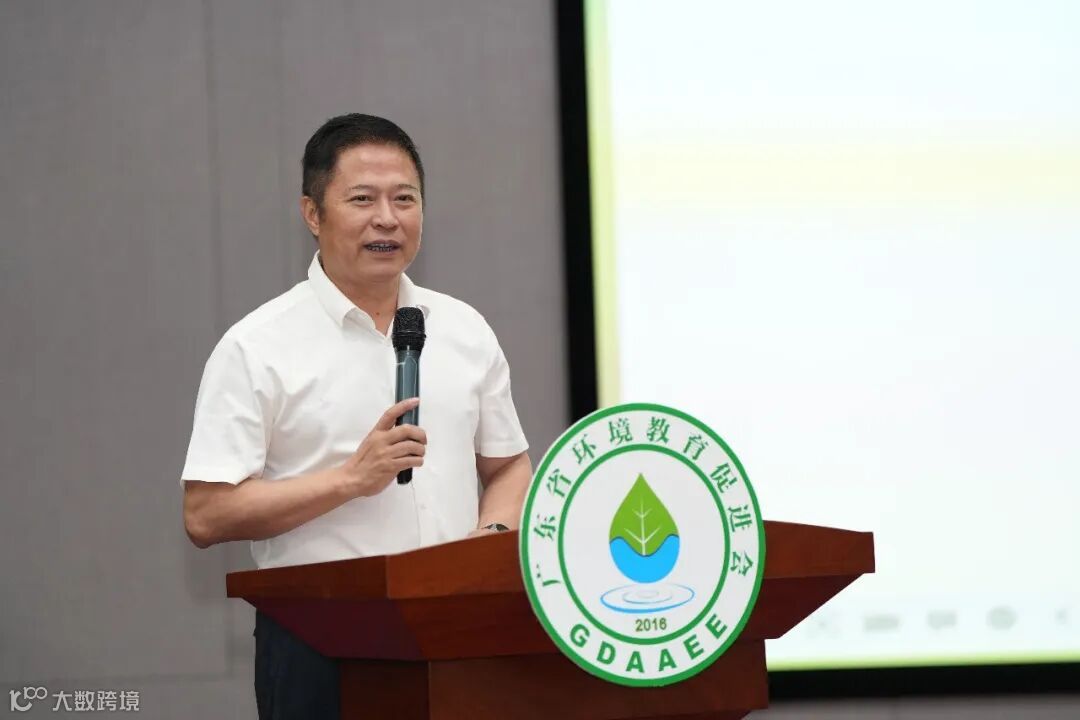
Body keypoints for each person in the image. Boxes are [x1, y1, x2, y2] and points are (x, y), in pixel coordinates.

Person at [180, 113, 532, 719]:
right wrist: (350, 479)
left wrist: (491, 541)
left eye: (405, 199)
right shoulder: (257, 346)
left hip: (459, 631)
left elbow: (508, 466)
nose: (387, 219)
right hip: (321, 644)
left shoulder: (464, 328)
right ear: (312, 214)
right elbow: (206, 514)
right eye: (363, 199)